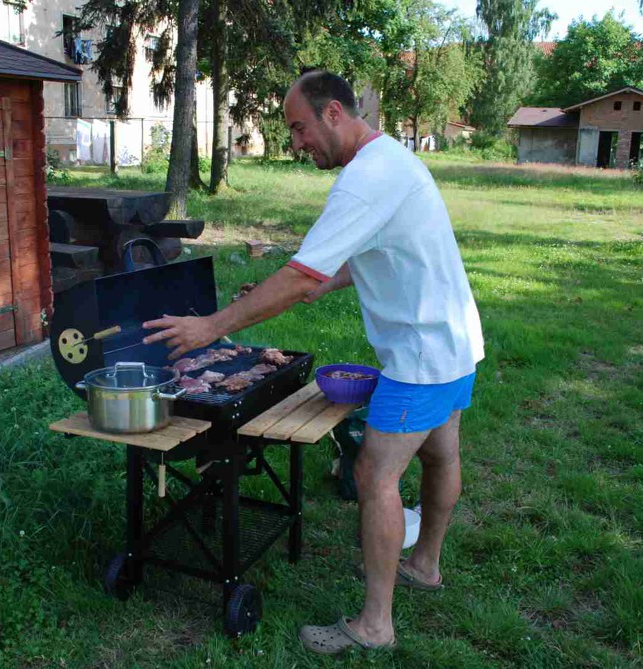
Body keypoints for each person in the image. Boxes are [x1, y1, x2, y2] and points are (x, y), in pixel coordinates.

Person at [142, 70, 484, 654]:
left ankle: (375, 625)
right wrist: (321, 283)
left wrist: (212, 327)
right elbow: (370, 254)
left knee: (374, 476)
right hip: (456, 341)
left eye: (300, 128)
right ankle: (425, 564)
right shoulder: (392, 160)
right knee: (441, 453)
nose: (296, 143)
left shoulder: (364, 179)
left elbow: (301, 275)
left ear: (333, 113)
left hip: (420, 355)